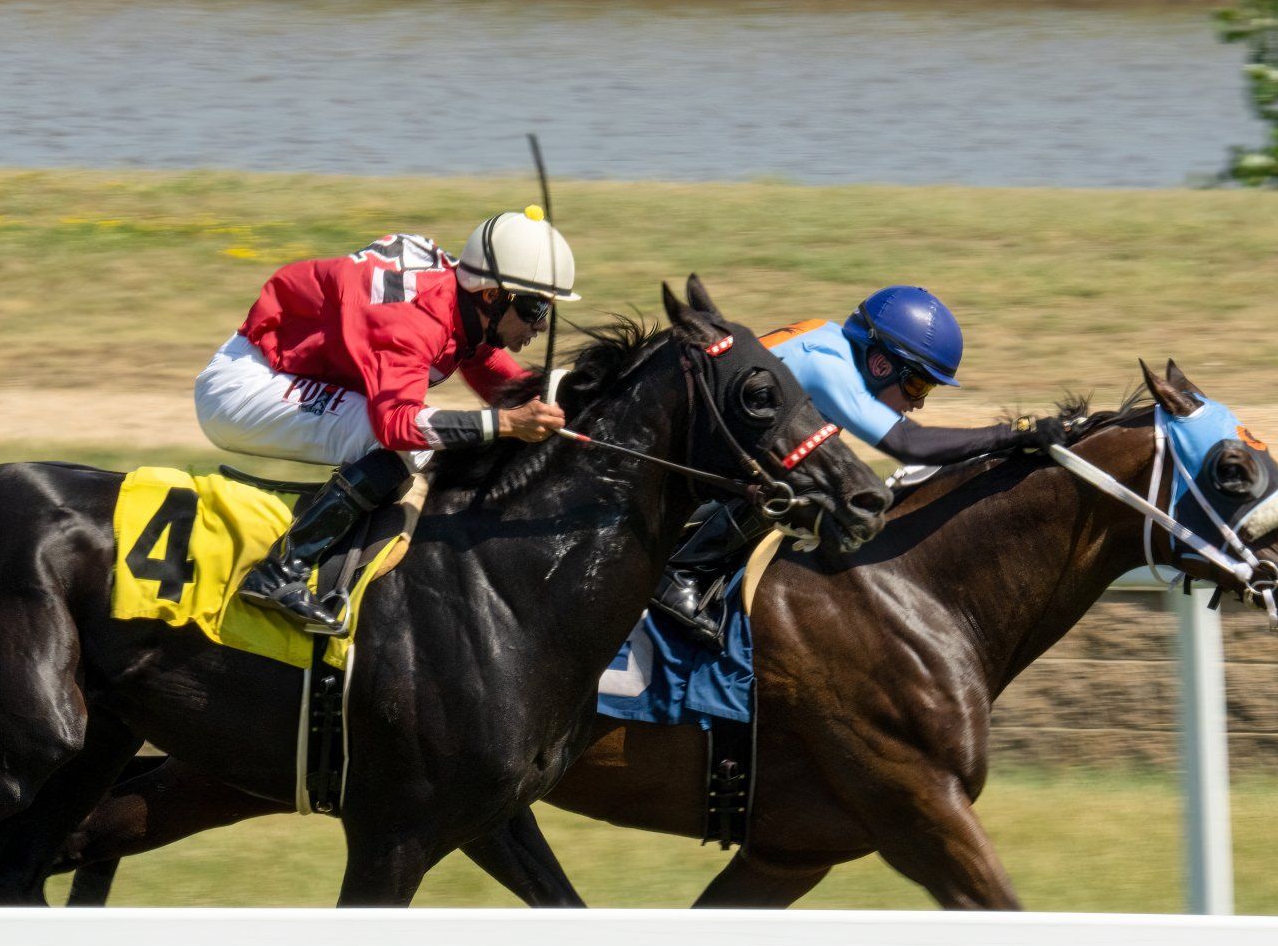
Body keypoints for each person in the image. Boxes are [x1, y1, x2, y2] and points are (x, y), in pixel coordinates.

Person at [195, 208, 577, 629]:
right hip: (245, 386)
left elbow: (483, 363)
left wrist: (566, 401)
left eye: (547, 311)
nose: (541, 326)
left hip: (280, 364)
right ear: (491, 295)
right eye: (533, 308)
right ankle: (283, 570)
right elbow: (396, 424)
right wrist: (505, 424)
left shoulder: (457, 295)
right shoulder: (414, 322)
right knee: (407, 446)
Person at [651, 285, 1068, 642]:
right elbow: (911, 444)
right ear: (881, 362)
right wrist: (1014, 433)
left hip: (700, 444)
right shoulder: (828, 370)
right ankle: (683, 573)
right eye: (917, 383)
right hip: (677, 460)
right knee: (801, 484)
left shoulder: (832, 340)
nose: (919, 401)